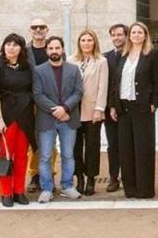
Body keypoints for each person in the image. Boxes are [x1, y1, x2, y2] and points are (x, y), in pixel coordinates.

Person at [109, 22, 158, 199]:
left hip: (143, 107)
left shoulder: (152, 54)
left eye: (140, 32)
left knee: (143, 148)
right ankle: (130, 189)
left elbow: (157, 81)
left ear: (145, 35)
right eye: (133, 32)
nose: (136, 35)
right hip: (124, 107)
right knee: (126, 149)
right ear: (129, 36)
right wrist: (114, 105)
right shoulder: (123, 55)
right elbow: (116, 83)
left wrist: (154, 102)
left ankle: (144, 189)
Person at [0, 33, 36, 207]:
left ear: (21, 48)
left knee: (21, 154)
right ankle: (6, 192)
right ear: (3, 46)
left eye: (15, 45)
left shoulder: (27, 68)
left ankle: (18, 191)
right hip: (5, 116)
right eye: (8, 44)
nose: (11, 47)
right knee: (5, 154)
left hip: (25, 115)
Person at [33, 36, 84, 203]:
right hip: (46, 119)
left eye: (57, 48)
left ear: (62, 49)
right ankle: (47, 188)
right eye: (51, 48)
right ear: (47, 50)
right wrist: (56, 110)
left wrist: (65, 108)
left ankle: (68, 186)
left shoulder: (74, 69)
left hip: (69, 118)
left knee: (68, 155)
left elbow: (78, 92)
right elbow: (38, 94)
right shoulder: (38, 70)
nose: (54, 51)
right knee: (45, 155)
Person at [67, 29, 108, 196]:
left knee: (92, 145)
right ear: (79, 43)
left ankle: (91, 178)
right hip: (74, 110)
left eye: (89, 40)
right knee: (75, 146)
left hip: (92, 111)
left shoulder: (101, 61)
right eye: (83, 40)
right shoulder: (70, 60)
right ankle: (79, 177)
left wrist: (100, 108)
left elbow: (102, 87)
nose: (86, 43)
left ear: (94, 42)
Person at [26, 18, 58, 193]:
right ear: (30, 30)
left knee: (50, 141)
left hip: (50, 102)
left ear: (47, 29)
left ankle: (50, 174)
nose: (38, 30)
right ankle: (34, 175)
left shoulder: (53, 49)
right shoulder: (24, 51)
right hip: (30, 103)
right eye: (34, 27)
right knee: (33, 141)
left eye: (41, 27)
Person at [103, 23, 128, 192]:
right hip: (109, 108)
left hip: (128, 108)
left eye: (120, 35)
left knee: (128, 144)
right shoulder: (105, 58)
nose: (116, 38)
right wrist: (110, 106)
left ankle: (128, 177)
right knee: (113, 144)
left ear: (126, 36)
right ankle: (113, 177)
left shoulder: (132, 56)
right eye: (114, 35)